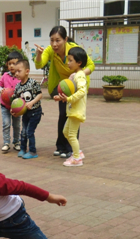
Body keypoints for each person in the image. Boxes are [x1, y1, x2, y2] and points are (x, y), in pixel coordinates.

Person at [34, 26, 95, 159]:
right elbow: (39, 64)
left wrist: (78, 74)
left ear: (65, 39)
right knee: (63, 114)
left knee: (73, 115)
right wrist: (38, 54)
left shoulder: (74, 50)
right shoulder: (50, 50)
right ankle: (60, 146)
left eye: (58, 40)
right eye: (52, 40)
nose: (54, 44)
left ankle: (71, 149)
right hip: (63, 86)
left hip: (76, 86)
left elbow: (91, 65)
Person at [55, 47, 88, 168]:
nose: (68, 63)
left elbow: (82, 92)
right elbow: (71, 91)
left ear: (79, 62)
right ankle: (78, 152)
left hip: (76, 111)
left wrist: (68, 99)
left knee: (72, 135)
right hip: (72, 110)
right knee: (65, 132)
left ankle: (77, 158)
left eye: (70, 60)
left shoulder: (80, 76)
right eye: (67, 60)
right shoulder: (75, 75)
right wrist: (61, 97)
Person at [10, 59, 43, 160]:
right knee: (23, 132)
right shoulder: (18, 86)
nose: (16, 73)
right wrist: (14, 110)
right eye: (15, 71)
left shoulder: (33, 83)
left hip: (35, 112)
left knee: (29, 131)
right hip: (26, 113)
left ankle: (32, 151)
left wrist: (32, 102)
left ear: (27, 71)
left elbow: (40, 95)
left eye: (19, 71)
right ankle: (23, 149)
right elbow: (16, 101)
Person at [0, 51, 22, 153]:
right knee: (6, 124)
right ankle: (6, 143)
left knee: (16, 125)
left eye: (14, 63)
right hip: (5, 105)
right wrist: (1, 90)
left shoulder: (20, 77)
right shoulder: (5, 76)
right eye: (10, 63)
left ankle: (17, 142)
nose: (11, 66)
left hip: (17, 106)